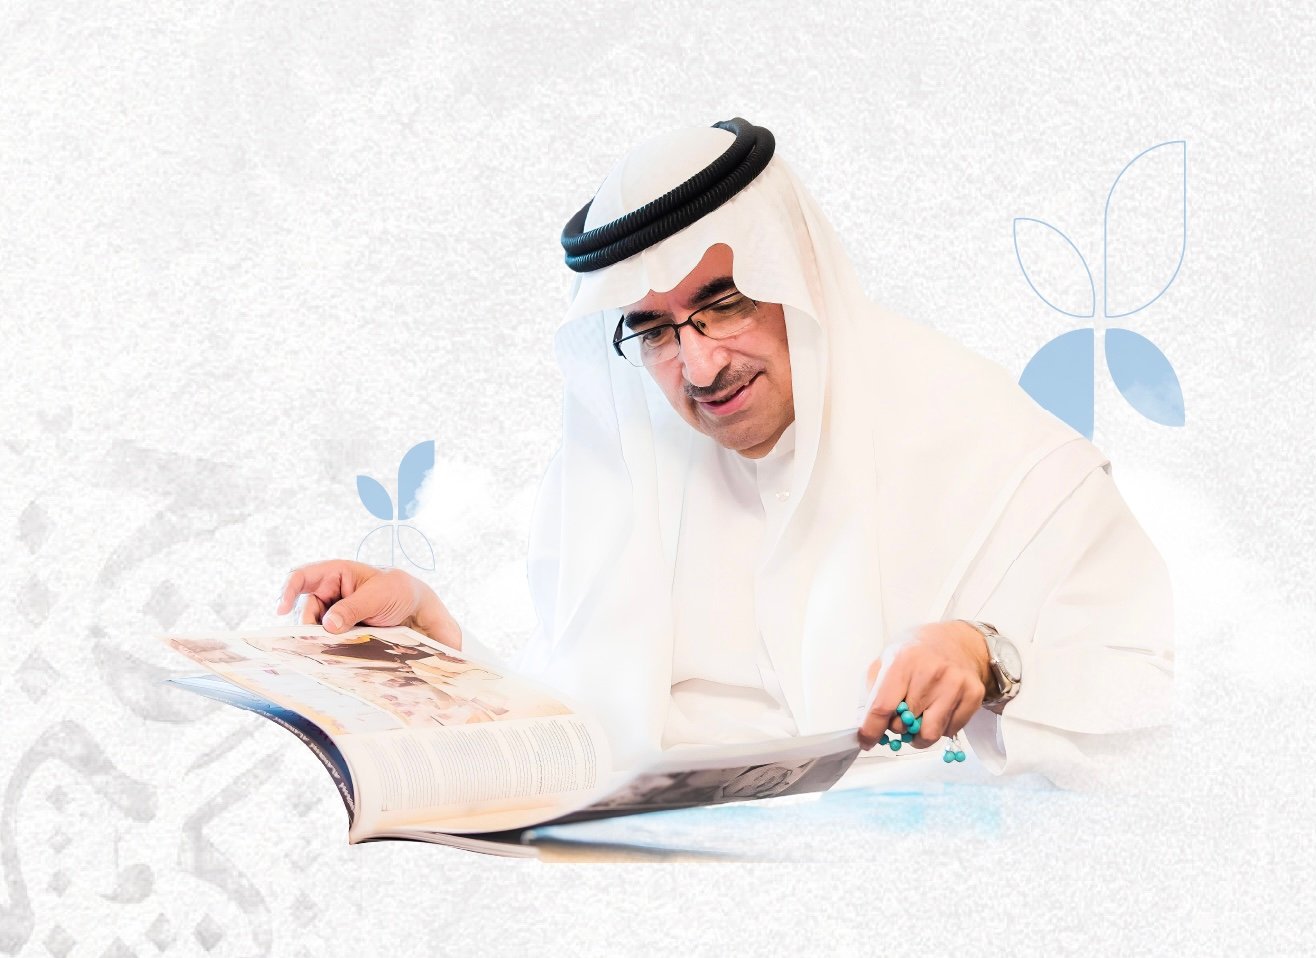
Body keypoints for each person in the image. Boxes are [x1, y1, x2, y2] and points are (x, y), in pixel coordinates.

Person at [277, 117, 1173, 787]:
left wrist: (985, 655)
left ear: (797, 280)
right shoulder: (629, 473)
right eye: (654, 330)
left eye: (726, 302)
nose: (700, 367)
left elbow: (1155, 715)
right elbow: (592, 743)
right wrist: (434, 644)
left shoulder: (996, 449)